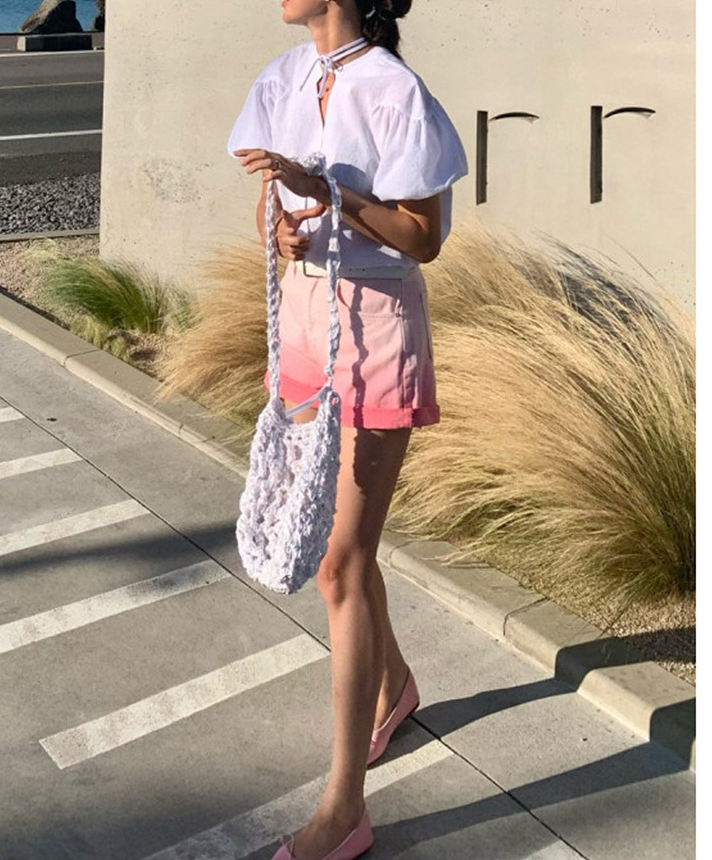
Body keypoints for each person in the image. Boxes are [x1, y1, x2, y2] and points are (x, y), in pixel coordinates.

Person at [227, 2, 467, 858]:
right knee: (346, 552)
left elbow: (422, 237)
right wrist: (287, 231)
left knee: (340, 564)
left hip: (375, 331)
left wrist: (331, 191)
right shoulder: (285, 78)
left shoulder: (397, 92)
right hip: (305, 326)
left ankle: (343, 811)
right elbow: (274, 216)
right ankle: (392, 686)